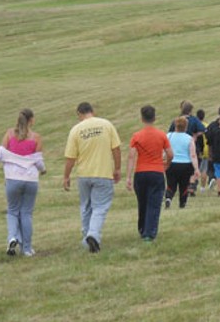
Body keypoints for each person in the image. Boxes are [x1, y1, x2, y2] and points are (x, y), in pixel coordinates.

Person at [63, 102, 121, 254]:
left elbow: (70, 157)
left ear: (79, 114)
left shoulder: (76, 130)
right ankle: (93, 235)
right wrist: (117, 168)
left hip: (84, 175)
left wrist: (66, 176)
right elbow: (116, 149)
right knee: (100, 207)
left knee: (86, 207)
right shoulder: (106, 125)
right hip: (103, 173)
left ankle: (86, 239)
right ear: (92, 111)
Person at [0, 109, 46, 257]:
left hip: (12, 178)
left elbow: (0, 155)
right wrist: (43, 170)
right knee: (26, 213)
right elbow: (38, 161)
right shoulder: (36, 137)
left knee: (12, 211)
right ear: (31, 120)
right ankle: (26, 248)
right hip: (30, 179)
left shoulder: (9, 134)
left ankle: (13, 237)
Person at [126, 105, 173, 241]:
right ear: (154, 118)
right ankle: (149, 233)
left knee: (143, 203)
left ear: (142, 118)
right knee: (154, 203)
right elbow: (170, 153)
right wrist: (167, 164)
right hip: (156, 172)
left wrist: (128, 177)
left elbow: (131, 156)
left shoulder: (137, 136)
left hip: (140, 172)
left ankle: (142, 229)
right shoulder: (161, 135)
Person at [165, 116, 199, 209]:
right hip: (185, 165)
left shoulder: (168, 136)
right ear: (186, 127)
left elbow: (164, 150)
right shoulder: (189, 138)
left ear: (175, 125)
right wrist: (196, 168)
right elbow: (193, 155)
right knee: (184, 186)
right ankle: (182, 203)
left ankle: (168, 197)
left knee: (171, 184)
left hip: (171, 164)